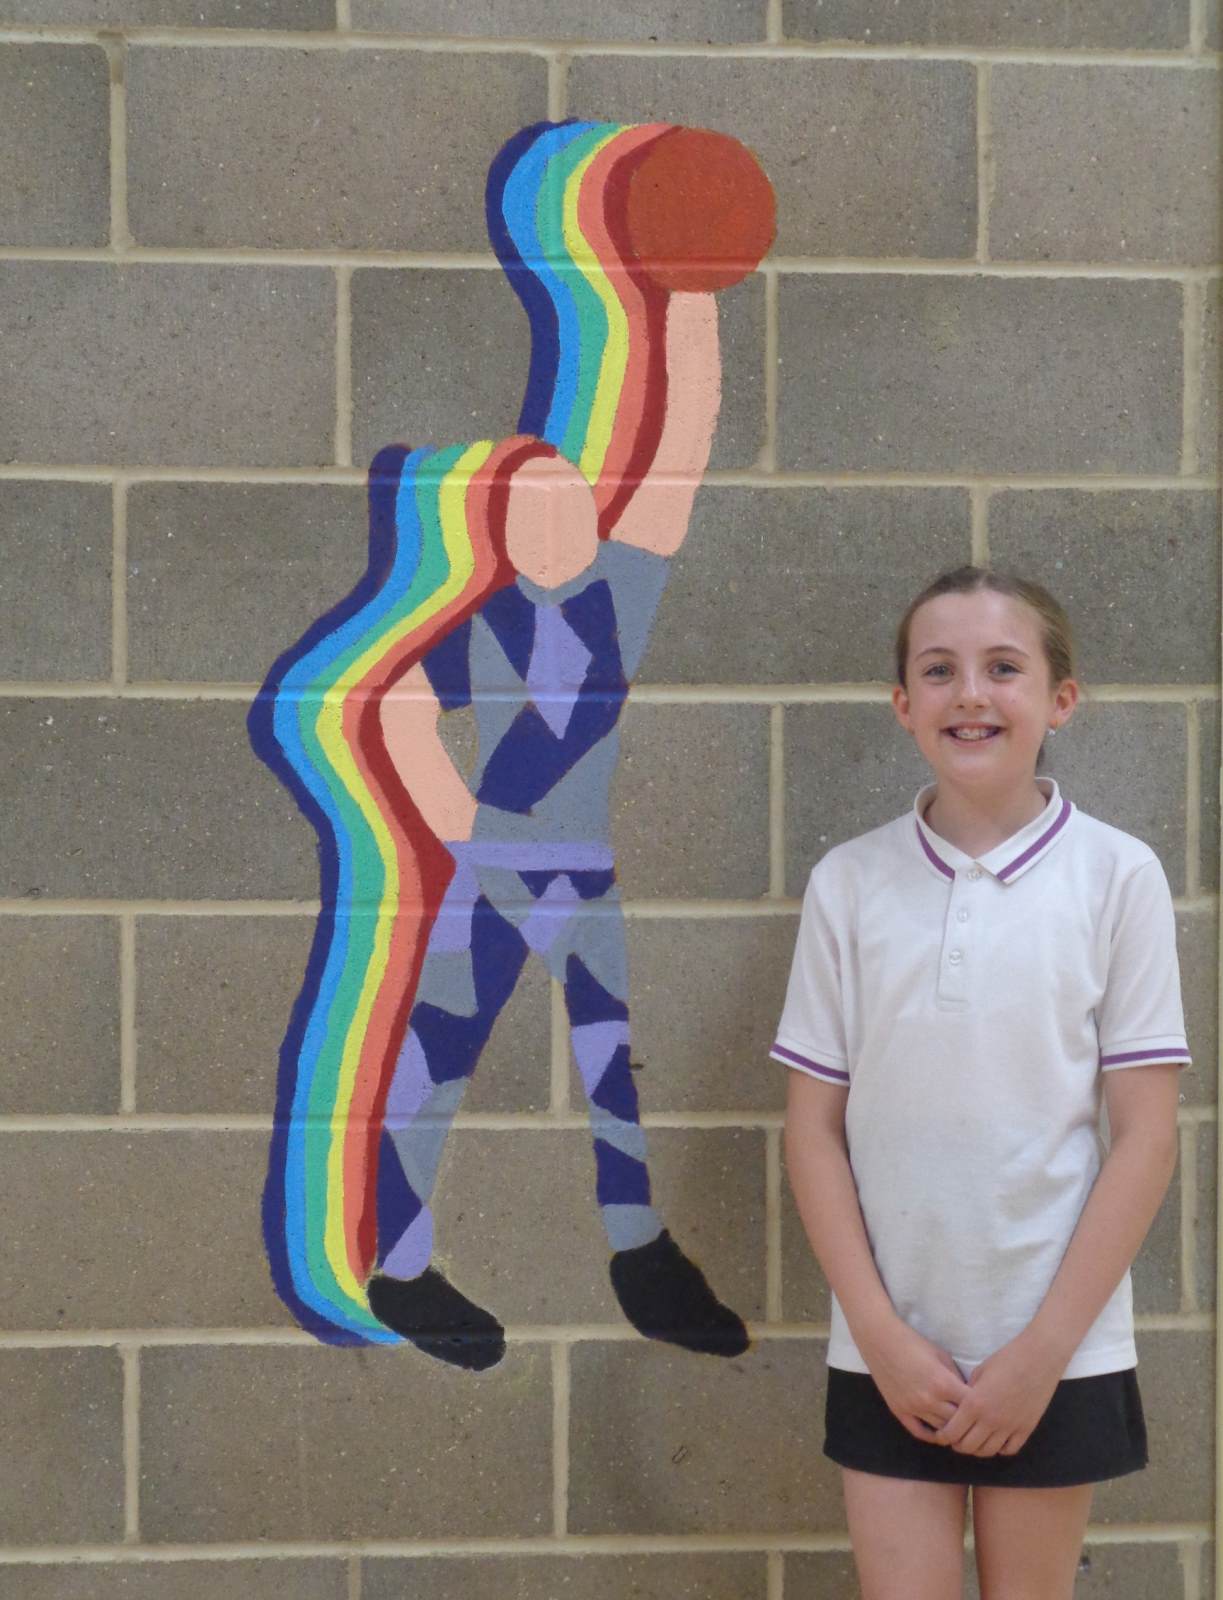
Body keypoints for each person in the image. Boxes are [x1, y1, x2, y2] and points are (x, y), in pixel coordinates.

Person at [773, 565, 1192, 1600]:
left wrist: (1041, 1352)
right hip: (890, 1348)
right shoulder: (847, 883)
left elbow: (1146, 1134)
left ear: (1060, 698)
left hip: (1054, 1349)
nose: (969, 693)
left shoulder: (1117, 876)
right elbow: (811, 1130)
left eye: (1002, 667)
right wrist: (878, 1335)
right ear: (900, 704)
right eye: (938, 670)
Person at [370, 292, 749, 1369]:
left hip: (584, 871)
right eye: (534, 511)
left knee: (611, 1063)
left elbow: (680, 452)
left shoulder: (620, 589)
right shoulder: (480, 622)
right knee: (438, 1056)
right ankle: (400, 1266)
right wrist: (462, 821)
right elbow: (392, 708)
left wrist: (692, 293)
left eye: (571, 502)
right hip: (494, 874)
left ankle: (639, 1257)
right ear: (501, 531)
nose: (562, 522)